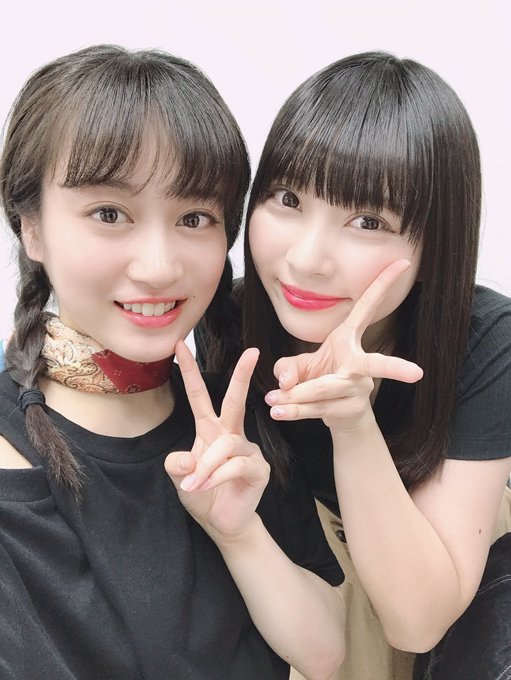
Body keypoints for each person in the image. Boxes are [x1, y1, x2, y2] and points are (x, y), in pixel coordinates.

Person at [0, 45, 346, 680]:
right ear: (32, 228)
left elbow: (324, 654)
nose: (159, 268)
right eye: (109, 214)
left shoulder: (233, 414)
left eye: (194, 217)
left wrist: (240, 535)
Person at [197, 51, 511, 680]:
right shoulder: (224, 324)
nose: (308, 259)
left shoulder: (483, 342)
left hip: (446, 597)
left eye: (368, 221)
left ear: (435, 243)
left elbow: (419, 621)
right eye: (288, 198)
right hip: (308, 598)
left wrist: (353, 423)